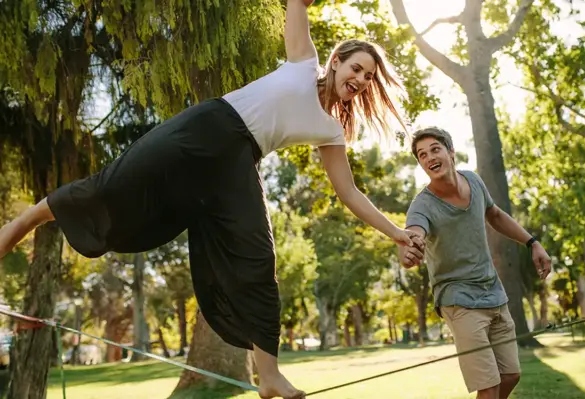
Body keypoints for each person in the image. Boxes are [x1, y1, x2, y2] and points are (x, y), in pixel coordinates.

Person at [0, 1, 420, 398]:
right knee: (113, 188)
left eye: (369, 77)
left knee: (258, 258)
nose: (362, 80)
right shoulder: (302, 60)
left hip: (237, 165)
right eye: (357, 68)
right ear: (337, 60)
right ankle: (25, 222)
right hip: (204, 129)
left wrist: (397, 233)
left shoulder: (331, 131)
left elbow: (349, 193)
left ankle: (268, 376)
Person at [399, 127, 552, 399]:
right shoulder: (421, 205)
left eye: (435, 149)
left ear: (450, 152)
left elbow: (494, 214)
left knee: (510, 375)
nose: (429, 157)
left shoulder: (473, 181)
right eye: (422, 155)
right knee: (489, 385)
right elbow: (414, 232)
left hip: (493, 293)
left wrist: (532, 243)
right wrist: (411, 247)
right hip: (458, 300)